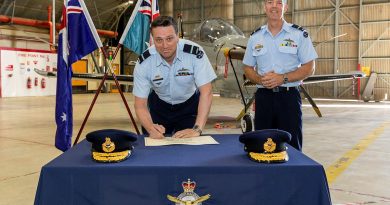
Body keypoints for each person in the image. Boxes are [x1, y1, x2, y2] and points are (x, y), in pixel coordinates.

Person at [242, 0, 318, 151]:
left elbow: (310, 68)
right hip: (263, 98)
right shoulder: (255, 37)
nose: (274, 6)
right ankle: (265, 174)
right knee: (263, 145)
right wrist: (260, 80)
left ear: (285, 7)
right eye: (270, 2)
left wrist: (282, 78)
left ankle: (293, 174)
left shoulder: (298, 34)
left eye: (279, 2)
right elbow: (247, 67)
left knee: (292, 145)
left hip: (288, 98)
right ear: (265, 7)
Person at [133, 16, 217, 139]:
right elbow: (140, 104)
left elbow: (207, 92)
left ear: (178, 36)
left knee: (188, 149)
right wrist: (150, 128)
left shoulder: (195, 53)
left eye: (169, 38)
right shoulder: (144, 62)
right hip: (159, 107)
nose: (165, 45)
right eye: (159, 40)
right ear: (152, 39)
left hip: (189, 107)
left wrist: (197, 128)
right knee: (153, 148)